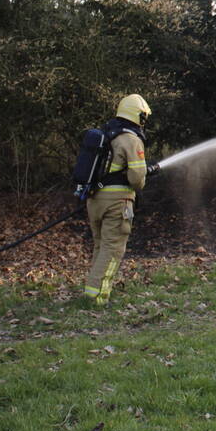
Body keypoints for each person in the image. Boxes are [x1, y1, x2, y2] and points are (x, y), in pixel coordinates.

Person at [83, 94, 159, 306]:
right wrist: (146, 173)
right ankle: (97, 298)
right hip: (117, 201)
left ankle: (91, 291)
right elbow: (136, 179)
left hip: (94, 200)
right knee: (113, 248)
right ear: (138, 115)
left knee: (101, 246)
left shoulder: (108, 133)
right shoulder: (131, 139)